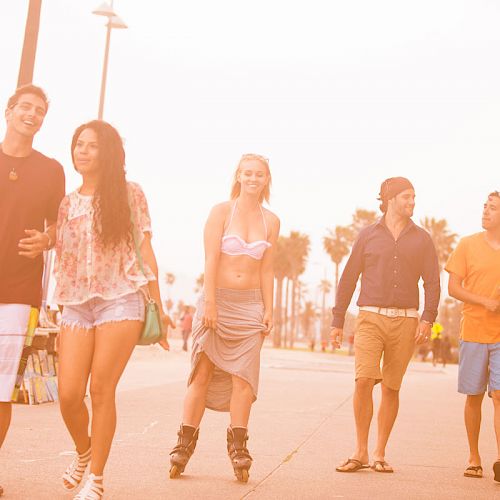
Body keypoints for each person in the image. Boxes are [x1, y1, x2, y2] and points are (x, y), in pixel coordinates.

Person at [53, 120, 169, 499]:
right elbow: (63, 252)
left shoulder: (130, 194)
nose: (82, 151)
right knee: (69, 394)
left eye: (91, 145)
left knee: (101, 390)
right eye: (78, 144)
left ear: (108, 152)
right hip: (75, 304)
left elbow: (145, 247)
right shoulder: (67, 203)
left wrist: (158, 303)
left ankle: (96, 479)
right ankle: (84, 451)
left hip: (121, 298)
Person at [168, 154, 279, 483]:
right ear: (238, 176)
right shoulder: (220, 212)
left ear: (266, 179)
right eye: (247, 173)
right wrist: (211, 301)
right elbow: (211, 259)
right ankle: (184, 443)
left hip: (250, 306)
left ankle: (239, 446)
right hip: (218, 300)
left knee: (242, 379)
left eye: (259, 174)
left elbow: (268, 269)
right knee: (202, 371)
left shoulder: (271, 220)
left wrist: (270, 309)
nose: (252, 178)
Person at [331, 176, 440, 474]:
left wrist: (428, 318)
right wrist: (337, 320)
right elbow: (349, 278)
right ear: (390, 199)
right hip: (369, 316)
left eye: (414, 197)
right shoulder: (367, 235)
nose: (412, 202)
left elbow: (432, 281)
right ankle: (360, 451)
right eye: (407, 197)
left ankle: (379, 452)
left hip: (406, 320)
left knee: (391, 387)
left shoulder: (422, 239)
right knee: (363, 380)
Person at [0, 85, 65, 497]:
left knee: (0, 385)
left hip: (19, 290)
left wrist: (46, 241)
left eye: (39, 110)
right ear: (9, 111)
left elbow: (61, 225)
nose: (32, 114)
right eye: (25, 106)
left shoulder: (51, 170)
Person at [445, 190, 500, 482]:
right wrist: (484, 301)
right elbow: (453, 288)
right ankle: (474, 456)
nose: (485, 212)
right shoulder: (467, 245)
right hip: (474, 332)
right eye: (485, 206)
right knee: (474, 396)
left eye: (492, 208)